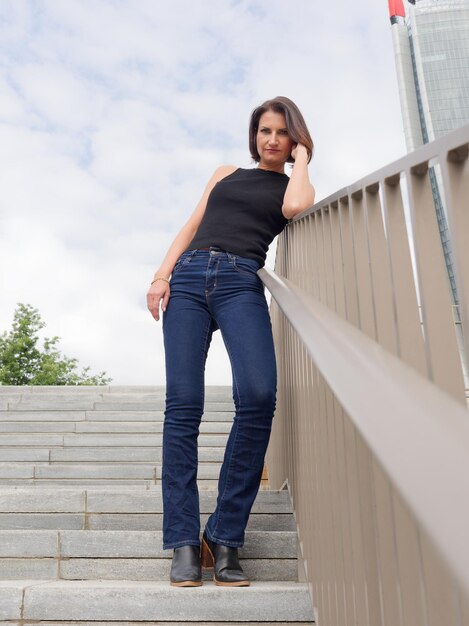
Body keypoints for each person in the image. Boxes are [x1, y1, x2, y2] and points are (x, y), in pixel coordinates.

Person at [146, 96, 315, 588]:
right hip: (191, 276)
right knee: (183, 404)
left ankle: (224, 534)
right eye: (264, 130)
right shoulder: (224, 172)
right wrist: (161, 276)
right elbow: (192, 224)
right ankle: (182, 539)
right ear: (254, 133)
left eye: (282, 133)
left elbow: (295, 207)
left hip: (243, 279)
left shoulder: (292, 184)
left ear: (294, 140)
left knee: (259, 395)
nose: (270, 139)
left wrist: (302, 159)